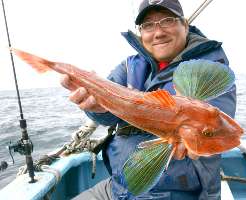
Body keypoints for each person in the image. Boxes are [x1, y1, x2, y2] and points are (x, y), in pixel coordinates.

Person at [63, 0, 236, 199]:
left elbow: (213, 119)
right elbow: (107, 118)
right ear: (141, 31)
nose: (158, 32)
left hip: (177, 192)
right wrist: (97, 109)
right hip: (119, 186)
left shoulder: (210, 67)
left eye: (167, 20)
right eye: (148, 25)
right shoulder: (129, 66)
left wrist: (195, 135)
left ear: (185, 25)